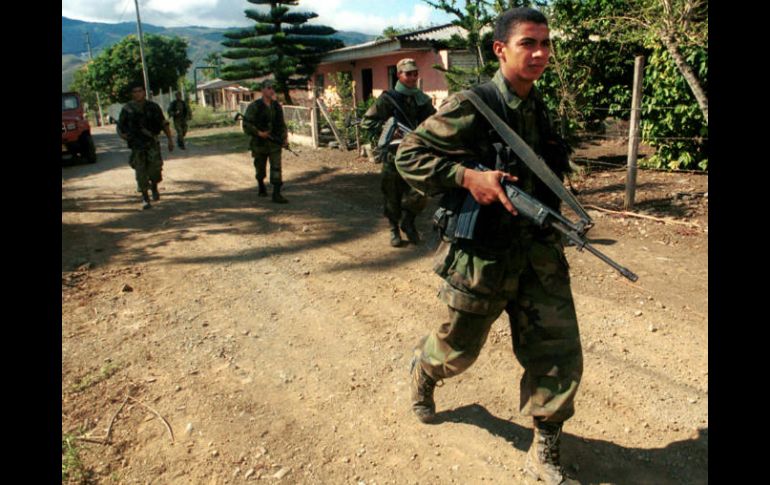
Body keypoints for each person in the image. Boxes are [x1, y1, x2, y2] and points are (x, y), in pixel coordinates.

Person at [395, 8, 581, 485]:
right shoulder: (473, 105)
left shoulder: (539, 107)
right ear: (501, 49)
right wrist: (466, 177)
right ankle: (424, 371)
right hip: (483, 255)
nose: (540, 53)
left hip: (539, 254)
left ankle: (544, 448)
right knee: (458, 350)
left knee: (557, 352)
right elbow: (408, 155)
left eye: (545, 42)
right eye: (528, 44)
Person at [361, 58, 436, 247]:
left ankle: (408, 221)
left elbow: (434, 122)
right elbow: (367, 122)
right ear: (399, 75)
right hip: (393, 154)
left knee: (421, 191)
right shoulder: (388, 98)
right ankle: (394, 229)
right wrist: (387, 129)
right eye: (407, 74)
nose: (412, 77)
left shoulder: (422, 99)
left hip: (416, 153)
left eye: (414, 73)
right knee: (392, 195)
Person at [118, 82, 174, 210]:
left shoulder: (153, 107)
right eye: (135, 91)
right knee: (140, 171)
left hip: (152, 143)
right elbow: (120, 126)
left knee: (155, 170)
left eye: (139, 91)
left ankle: (154, 186)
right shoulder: (127, 109)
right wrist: (123, 135)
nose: (137, 94)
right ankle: (145, 197)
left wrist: (170, 140)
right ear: (132, 94)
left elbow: (163, 123)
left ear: (144, 92)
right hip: (137, 145)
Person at [242, 80, 289, 203]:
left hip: (274, 143)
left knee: (276, 167)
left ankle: (277, 193)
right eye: (268, 88)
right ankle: (261, 184)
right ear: (262, 90)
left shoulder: (276, 106)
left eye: (273, 88)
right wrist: (259, 133)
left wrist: (285, 138)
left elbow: (281, 124)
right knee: (260, 167)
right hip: (259, 144)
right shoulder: (254, 106)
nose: (271, 90)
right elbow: (246, 124)